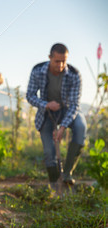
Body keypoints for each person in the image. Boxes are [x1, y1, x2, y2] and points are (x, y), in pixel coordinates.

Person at [26, 43, 86, 188]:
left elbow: (74, 105)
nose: (60, 65)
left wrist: (63, 127)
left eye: (64, 61)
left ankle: (67, 174)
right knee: (49, 150)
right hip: (46, 111)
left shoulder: (74, 74)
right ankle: (54, 184)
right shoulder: (37, 71)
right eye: (57, 61)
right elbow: (30, 96)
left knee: (80, 126)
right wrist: (46, 104)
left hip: (67, 110)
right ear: (50, 58)